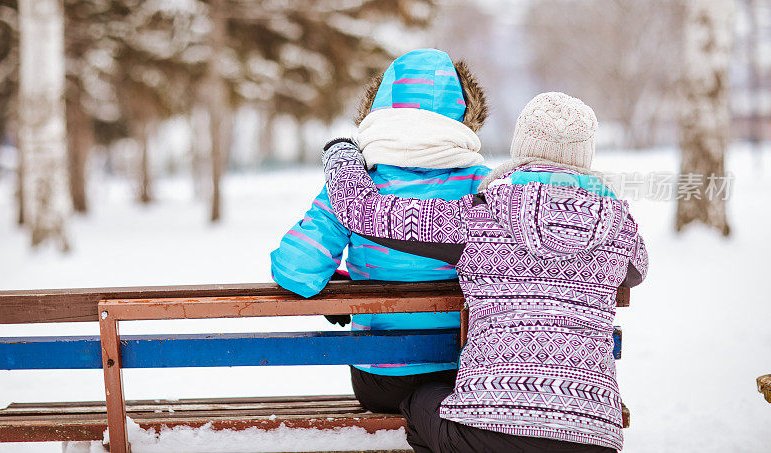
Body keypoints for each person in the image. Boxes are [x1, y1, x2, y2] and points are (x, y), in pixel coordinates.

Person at [320, 92, 648, 452]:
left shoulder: (482, 217)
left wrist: (342, 152)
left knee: (420, 401)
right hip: (592, 436)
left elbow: (363, 210)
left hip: (488, 432)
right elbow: (637, 270)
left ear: (521, 145)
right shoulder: (619, 228)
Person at [270, 48, 490, 413]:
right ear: (465, 111)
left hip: (381, 380)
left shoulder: (355, 187)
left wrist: (340, 282)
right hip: (462, 372)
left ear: (380, 106)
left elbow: (295, 269)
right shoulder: (483, 184)